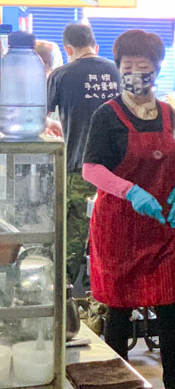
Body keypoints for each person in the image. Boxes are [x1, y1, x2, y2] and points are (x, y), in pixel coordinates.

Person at [82, 29, 175, 389]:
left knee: (170, 310)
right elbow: (91, 169)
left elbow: (173, 157)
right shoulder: (106, 115)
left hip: (161, 227)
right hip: (120, 228)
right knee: (118, 309)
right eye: (126, 67)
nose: (133, 74)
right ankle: (119, 388)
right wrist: (132, 192)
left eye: (142, 68)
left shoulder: (167, 113)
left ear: (157, 70)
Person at [47, 23, 121, 285]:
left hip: (79, 168)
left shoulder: (61, 75)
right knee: (113, 233)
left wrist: (51, 124)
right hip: (118, 173)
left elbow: (37, 118)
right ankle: (109, 292)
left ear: (68, 49)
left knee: (75, 236)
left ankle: (67, 296)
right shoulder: (117, 71)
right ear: (95, 45)